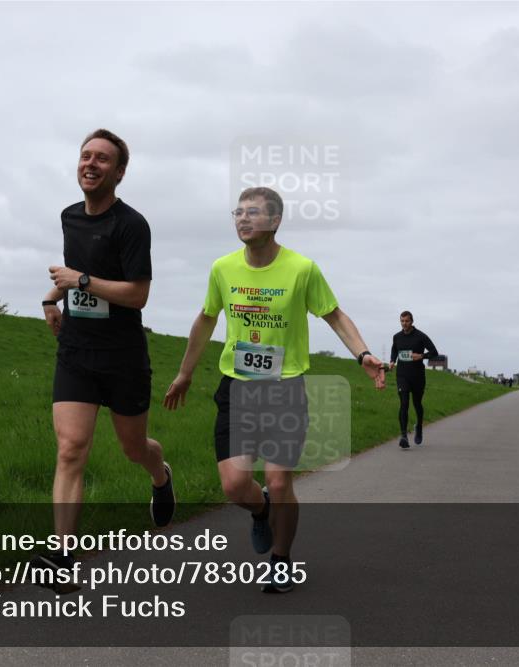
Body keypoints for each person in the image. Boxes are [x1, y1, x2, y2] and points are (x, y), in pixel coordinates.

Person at [163, 186, 385, 593]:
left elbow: (334, 316)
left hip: (284, 387)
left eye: (253, 213)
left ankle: (281, 559)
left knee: (281, 481)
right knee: (233, 486)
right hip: (238, 387)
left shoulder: (302, 269)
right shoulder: (223, 268)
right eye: (238, 212)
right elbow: (206, 320)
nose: (243, 219)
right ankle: (261, 510)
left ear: (275, 221)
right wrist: (185, 373)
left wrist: (363, 354)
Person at [33, 129, 174, 591]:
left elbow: (138, 294)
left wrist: (81, 280)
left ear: (119, 172)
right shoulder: (70, 217)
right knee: (71, 448)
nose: (89, 164)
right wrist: (51, 299)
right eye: (84, 156)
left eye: (101, 159)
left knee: (135, 449)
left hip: (123, 357)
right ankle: (64, 554)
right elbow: (75, 273)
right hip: (76, 350)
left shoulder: (132, 224)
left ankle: (160, 474)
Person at [388, 311, 438, 449]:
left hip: (417, 376)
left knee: (417, 404)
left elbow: (434, 352)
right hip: (402, 375)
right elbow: (394, 350)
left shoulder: (421, 336)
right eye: (402, 321)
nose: (404, 324)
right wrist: (392, 361)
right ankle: (403, 436)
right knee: (404, 403)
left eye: (407, 321)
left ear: (412, 321)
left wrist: (421, 356)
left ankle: (419, 426)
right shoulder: (396, 337)